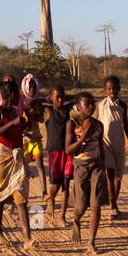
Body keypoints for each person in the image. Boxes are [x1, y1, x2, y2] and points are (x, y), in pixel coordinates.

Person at [0, 79, 35, 250]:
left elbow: (18, 130)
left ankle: (28, 238)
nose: (19, 99)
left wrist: (25, 126)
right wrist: (11, 124)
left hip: (16, 156)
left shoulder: (16, 112)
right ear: (12, 95)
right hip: (2, 157)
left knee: (21, 195)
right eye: (17, 95)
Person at [65, 91, 105, 253]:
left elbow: (101, 147)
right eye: (86, 104)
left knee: (96, 205)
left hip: (97, 165)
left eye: (92, 103)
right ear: (78, 106)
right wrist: (82, 139)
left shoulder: (98, 125)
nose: (90, 106)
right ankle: (76, 220)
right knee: (80, 206)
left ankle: (91, 242)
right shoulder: (72, 124)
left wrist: (105, 167)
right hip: (80, 165)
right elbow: (68, 149)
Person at [96, 75, 128, 217]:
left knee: (118, 177)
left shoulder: (123, 106)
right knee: (109, 174)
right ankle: (113, 204)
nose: (112, 91)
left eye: (114, 88)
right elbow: (95, 125)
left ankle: (114, 201)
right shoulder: (101, 105)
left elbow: (126, 126)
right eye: (109, 89)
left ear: (119, 89)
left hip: (119, 145)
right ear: (105, 90)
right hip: (105, 144)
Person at [42, 85, 74, 225]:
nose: (60, 100)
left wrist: (69, 99)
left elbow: (79, 99)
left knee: (66, 183)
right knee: (55, 185)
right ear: (51, 98)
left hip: (67, 151)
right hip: (54, 151)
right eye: (57, 97)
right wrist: (47, 100)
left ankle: (62, 216)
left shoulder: (67, 110)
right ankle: (51, 199)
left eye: (62, 97)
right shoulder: (48, 111)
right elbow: (33, 103)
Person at [23, 98, 47, 198]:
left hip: (36, 138)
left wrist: (35, 114)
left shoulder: (35, 106)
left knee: (40, 164)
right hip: (25, 140)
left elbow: (42, 119)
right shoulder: (22, 107)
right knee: (23, 168)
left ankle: (44, 191)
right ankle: (23, 192)